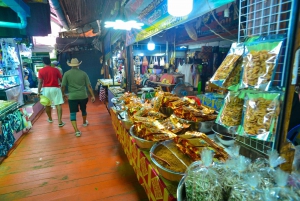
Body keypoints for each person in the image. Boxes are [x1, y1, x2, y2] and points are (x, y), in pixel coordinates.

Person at [61, 58, 95, 137]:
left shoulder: (66, 74)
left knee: (72, 113)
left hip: (72, 97)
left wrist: (63, 94)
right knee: (83, 109)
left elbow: (63, 86)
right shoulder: (83, 73)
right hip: (83, 96)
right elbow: (89, 86)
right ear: (78, 65)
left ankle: (76, 131)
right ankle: (84, 123)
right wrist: (93, 95)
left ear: (71, 65)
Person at [37, 57, 65, 127]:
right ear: (50, 62)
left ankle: (50, 118)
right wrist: (62, 87)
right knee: (58, 104)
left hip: (46, 89)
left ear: (43, 62)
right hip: (56, 88)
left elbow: (40, 82)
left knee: (47, 104)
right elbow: (61, 80)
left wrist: (38, 91)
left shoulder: (41, 71)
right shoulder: (56, 70)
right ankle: (60, 122)